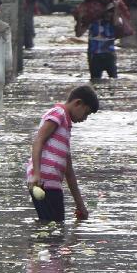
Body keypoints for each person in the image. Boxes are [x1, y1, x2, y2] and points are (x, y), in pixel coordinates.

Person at [25, 85, 98, 224]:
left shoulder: (65, 128)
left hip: (52, 184)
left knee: (53, 226)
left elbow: (69, 171)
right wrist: (36, 173)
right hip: (43, 182)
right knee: (53, 227)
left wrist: (80, 204)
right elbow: (38, 141)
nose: (85, 118)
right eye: (86, 113)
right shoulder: (58, 113)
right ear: (78, 103)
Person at [86, 3, 119, 81]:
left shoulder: (115, 22)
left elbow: (116, 23)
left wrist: (117, 8)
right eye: (108, 12)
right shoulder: (93, 23)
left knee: (114, 80)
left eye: (111, 12)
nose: (109, 14)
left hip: (109, 55)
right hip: (95, 55)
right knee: (95, 80)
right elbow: (79, 33)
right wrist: (80, 18)